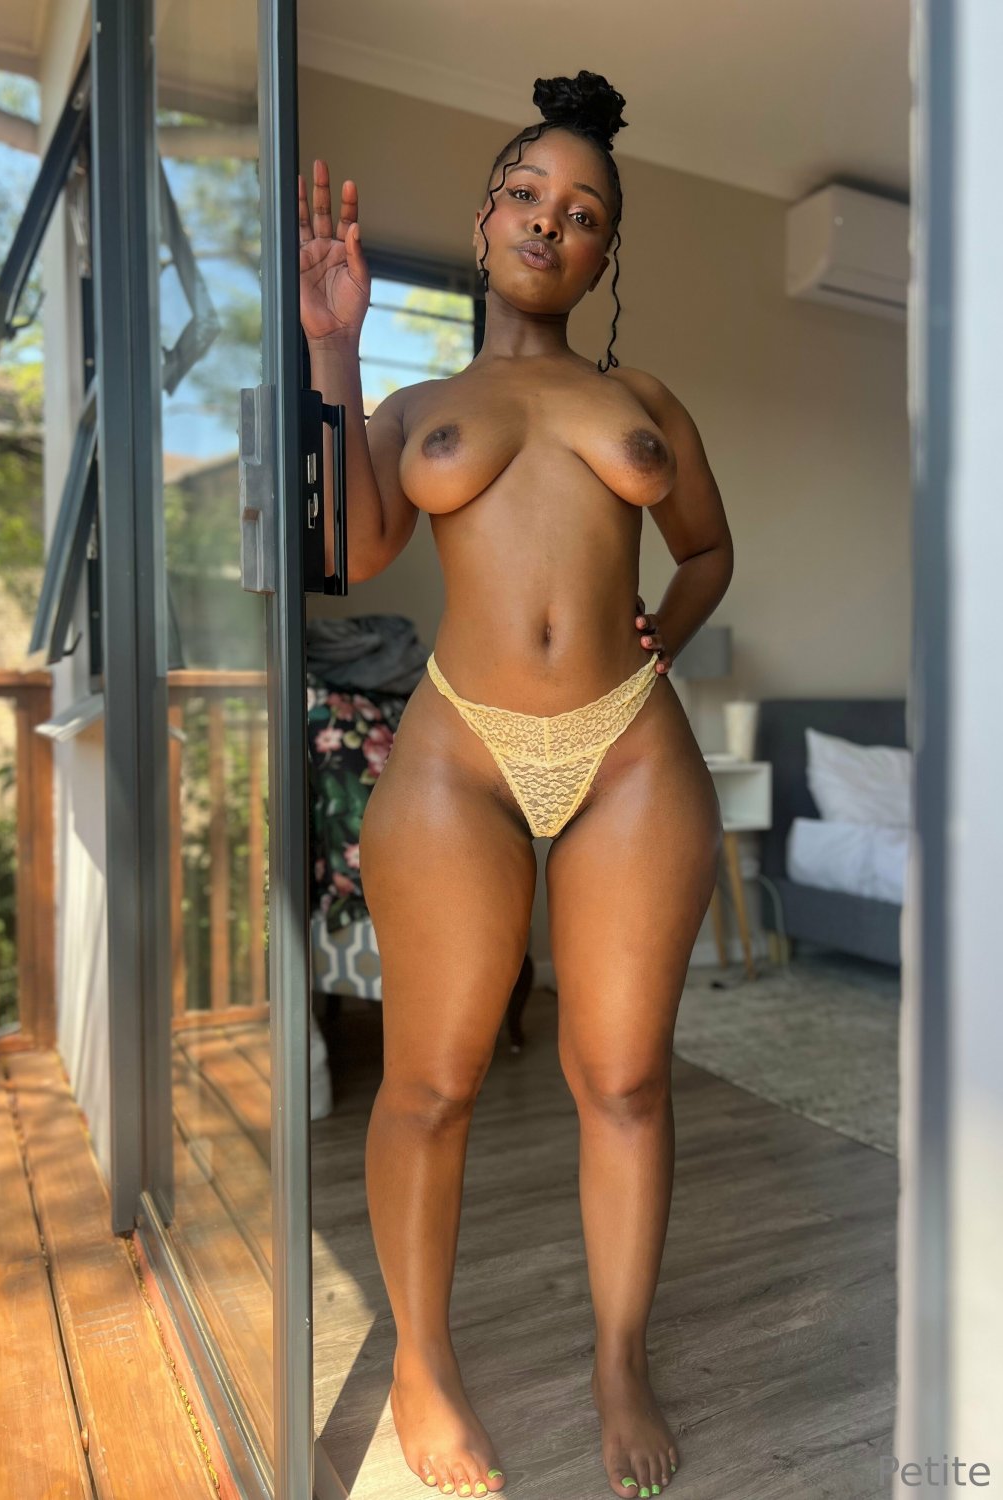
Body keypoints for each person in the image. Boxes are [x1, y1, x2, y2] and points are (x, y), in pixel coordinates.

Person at [299, 69, 734, 1500]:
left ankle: (620, 1357)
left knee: (625, 1081)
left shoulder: (641, 399)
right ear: (486, 217)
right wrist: (333, 349)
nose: (553, 221)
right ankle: (422, 1363)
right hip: (463, 754)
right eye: (530, 195)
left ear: (603, 255)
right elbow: (351, 551)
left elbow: (707, 548)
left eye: (586, 212)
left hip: (629, 751)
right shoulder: (417, 402)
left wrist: (665, 639)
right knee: (430, 1084)